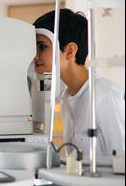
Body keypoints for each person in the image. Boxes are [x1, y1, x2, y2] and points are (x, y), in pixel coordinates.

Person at [33, 8, 125, 162]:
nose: (35, 55)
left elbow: (122, 161)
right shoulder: (67, 96)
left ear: (70, 51)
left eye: (42, 46)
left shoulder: (106, 96)